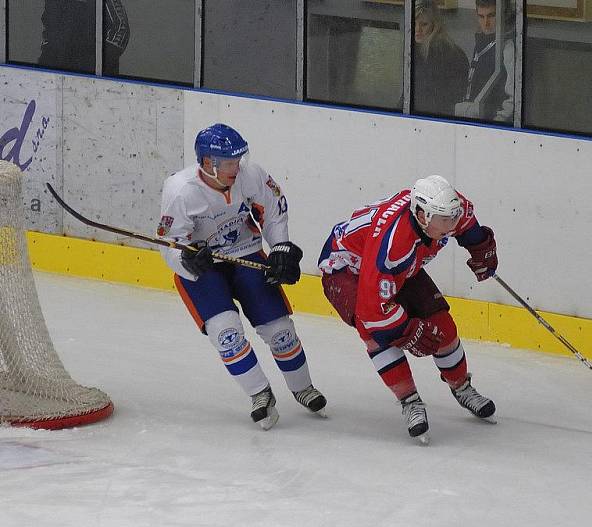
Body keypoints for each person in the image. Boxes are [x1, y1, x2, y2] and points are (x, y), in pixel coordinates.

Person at [157, 124, 326, 430]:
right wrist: (187, 259)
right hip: (204, 270)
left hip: (246, 254)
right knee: (226, 333)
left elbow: (274, 212)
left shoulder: (253, 175)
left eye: (239, 159)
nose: (238, 167)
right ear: (209, 163)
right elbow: (170, 244)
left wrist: (281, 248)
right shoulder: (180, 190)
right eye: (230, 162)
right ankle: (260, 393)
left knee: (279, 329)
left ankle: (302, 386)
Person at [317, 174, 498, 442]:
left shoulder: (444, 208)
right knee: (375, 334)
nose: (451, 224)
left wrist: (480, 246)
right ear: (423, 215)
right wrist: (408, 329)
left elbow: (466, 222)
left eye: (452, 217)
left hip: (398, 267)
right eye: (445, 220)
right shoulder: (393, 246)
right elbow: (372, 311)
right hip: (348, 270)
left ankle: (461, 387)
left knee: (442, 326)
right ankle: (409, 401)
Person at [455, 0, 514, 122]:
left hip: (491, 122)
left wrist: (497, 123)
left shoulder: (509, 47)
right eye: (481, 16)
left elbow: (512, 97)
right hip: (473, 117)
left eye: (491, 16)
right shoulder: (481, 41)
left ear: (504, 15)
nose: (486, 23)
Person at [39, 0, 129, 75]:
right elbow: (49, 30)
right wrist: (46, 63)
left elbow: (120, 28)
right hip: (57, 73)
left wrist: (95, 65)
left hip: (96, 78)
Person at [413, 0, 469, 117]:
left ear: (435, 26)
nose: (417, 29)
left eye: (424, 24)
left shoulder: (443, 54)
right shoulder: (416, 49)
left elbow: (435, 99)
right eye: (414, 23)